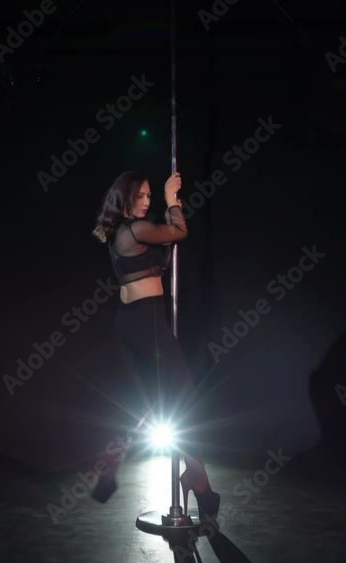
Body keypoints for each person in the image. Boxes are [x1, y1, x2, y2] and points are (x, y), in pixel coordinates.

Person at [89, 170, 221, 521]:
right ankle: (198, 479)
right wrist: (171, 197)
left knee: (148, 401)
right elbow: (180, 232)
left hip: (133, 323)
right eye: (142, 196)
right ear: (127, 198)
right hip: (147, 325)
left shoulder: (121, 231)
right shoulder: (135, 229)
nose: (147, 202)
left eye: (150, 195)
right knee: (183, 398)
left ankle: (113, 462)